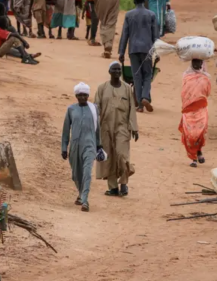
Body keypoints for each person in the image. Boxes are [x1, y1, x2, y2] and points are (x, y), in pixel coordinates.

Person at [94, 62, 138, 196]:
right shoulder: (102, 88)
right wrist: (94, 128)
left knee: (121, 155)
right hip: (105, 127)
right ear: (109, 72)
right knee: (109, 157)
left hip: (122, 127)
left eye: (119, 70)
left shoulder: (126, 88)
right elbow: (96, 109)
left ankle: (124, 182)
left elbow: (132, 109)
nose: (117, 72)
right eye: (114, 69)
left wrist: (134, 128)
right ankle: (112, 187)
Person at [61, 82, 105, 212]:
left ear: (88, 95)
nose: (82, 97)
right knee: (76, 174)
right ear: (76, 96)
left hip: (90, 145)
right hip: (75, 146)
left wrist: (99, 145)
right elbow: (65, 130)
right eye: (79, 95)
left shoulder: (93, 109)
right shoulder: (71, 109)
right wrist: (64, 147)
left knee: (87, 172)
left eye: (85, 95)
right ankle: (81, 194)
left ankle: (85, 201)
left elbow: (98, 129)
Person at [119, 0, 159, 113]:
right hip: (147, 49)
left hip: (133, 49)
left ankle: (140, 106)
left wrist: (121, 52)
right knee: (147, 75)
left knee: (137, 76)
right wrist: (157, 53)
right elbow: (155, 36)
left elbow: (125, 34)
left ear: (134, 2)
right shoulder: (151, 14)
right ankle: (145, 97)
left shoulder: (129, 15)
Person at [179, 59, 211, 168]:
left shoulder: (205, 78)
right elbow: (183, 93)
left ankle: (199, 152)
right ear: (191, 64)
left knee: (199, 133)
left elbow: (207, 92)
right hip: (189, 110)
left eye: (199, 63)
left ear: (202, 64)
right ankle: (194, 158)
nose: (197, 65)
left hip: (200, 109)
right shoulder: (186, 77)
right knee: (190, 135)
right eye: (195, 63)